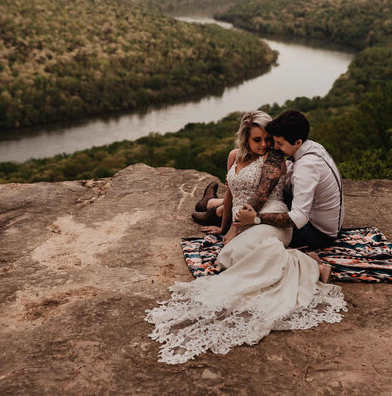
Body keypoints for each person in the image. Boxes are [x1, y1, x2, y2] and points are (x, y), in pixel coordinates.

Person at [146, 110, 345, 365]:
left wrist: (238, 226)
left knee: (236, 256)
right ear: (245, 140)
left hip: (282, 219)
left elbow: (263, 202)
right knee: (227, 256)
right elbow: (233, 191)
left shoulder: (278, 160)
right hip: (254, 217)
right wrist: (226, 226)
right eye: (260, 140)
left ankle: (311, 266)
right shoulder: (243, 156)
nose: (268, 146)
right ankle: (214, 208)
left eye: (271, 141)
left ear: (295, 143)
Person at [236, 109, 343, 250]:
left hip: (317, 234)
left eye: (280, 143)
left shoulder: (307, 166)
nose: (275, 147)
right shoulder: (312, 146)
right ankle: (219, 208)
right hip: (323, 221)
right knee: (269, 196)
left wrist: (256, 217)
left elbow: (299, 217)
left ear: (298, 142)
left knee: (255, 233)